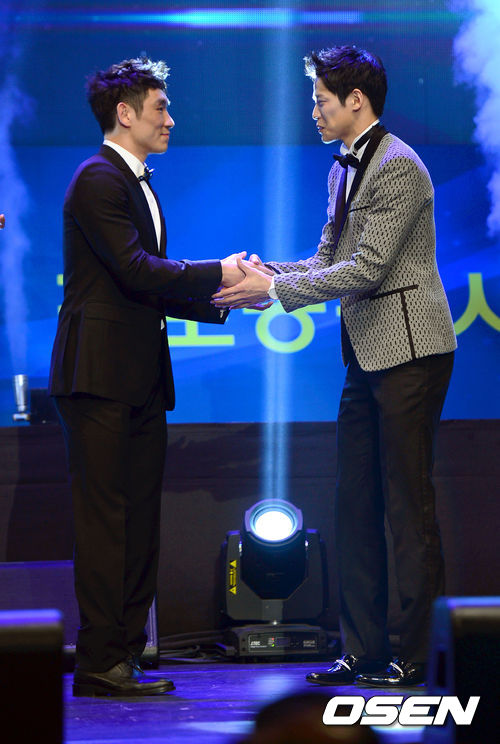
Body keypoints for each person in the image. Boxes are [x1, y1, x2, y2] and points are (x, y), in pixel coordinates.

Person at [213, 46, 457, 687]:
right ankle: (364, 649)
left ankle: (418, 654)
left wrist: (272, 289)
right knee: (355, 504)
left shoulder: (399, 166)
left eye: (321, 101)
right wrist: (262, 277)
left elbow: (368, 269)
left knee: (407, 507)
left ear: (356, 100)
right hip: (366, 354)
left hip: (411, 353)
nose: (314, 112)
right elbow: (328, 258)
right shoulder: (342, 167)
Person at [49, 57, 244, 697]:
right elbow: (134, 270)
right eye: (161, 108)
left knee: (138, 521)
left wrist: (224, 297)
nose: (170, 120)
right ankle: (99, 661)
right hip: (98, 376)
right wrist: (218, 272)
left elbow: (144, 284)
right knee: (106, 523)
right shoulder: (97, 179)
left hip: (137, 376)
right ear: (124, 113)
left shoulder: (135, 181)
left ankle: (126, 654)